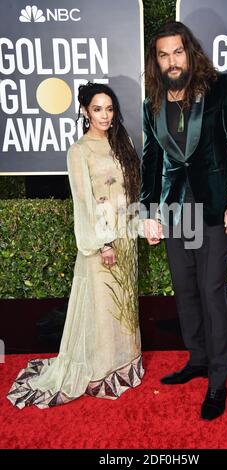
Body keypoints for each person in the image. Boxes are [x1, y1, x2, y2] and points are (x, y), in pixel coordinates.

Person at [141, 21, 227, 421]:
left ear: (190, 51)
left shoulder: (221, 88)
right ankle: (199, 359)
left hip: (215, 206)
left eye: (178, 52)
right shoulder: (152, 102)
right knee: (186, 291)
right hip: (175, 211)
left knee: (210, 289)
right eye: (163, 54)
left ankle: (219, 377)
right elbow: (152, 160)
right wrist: (148, 212)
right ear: (156, 61)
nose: (172, 61)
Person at [7, 83, 144, 409]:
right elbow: (84, 203)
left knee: (123, 306)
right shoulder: (79, 151)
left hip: (125, 238)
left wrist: (135, 227)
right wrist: (103, 243)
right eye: (98, 109)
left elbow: (130, 193)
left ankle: (123, 365)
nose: (105, 115)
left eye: (109, 109)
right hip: (102, 244)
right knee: (102, 307)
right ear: (85, 111)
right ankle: (98, 373)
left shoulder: (120, 142)